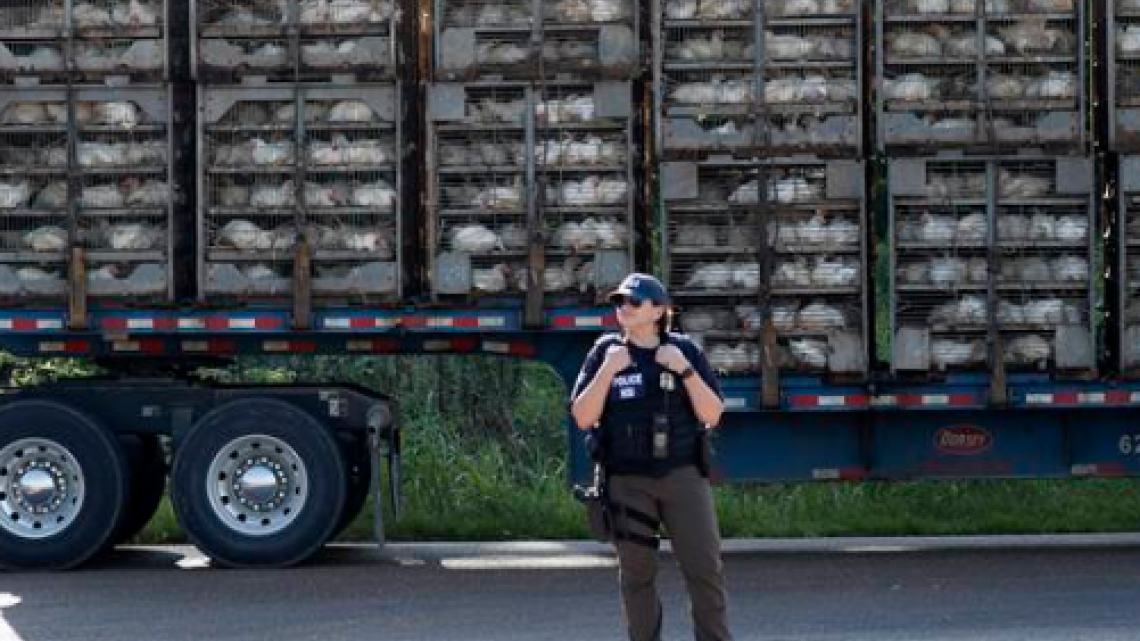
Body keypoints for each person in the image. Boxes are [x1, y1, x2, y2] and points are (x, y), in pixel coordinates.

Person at [570, 272, 732, 641]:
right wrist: (610, 369)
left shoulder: (684, 351)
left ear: (659, 310)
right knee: (637, 576)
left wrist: (684, 370)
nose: (623, 308)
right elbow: (582, 416)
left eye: (634, 301)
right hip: (626, 483)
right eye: (619, 302)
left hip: (682, 478)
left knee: (705, 570)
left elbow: (712, 414)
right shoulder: (604, 352)